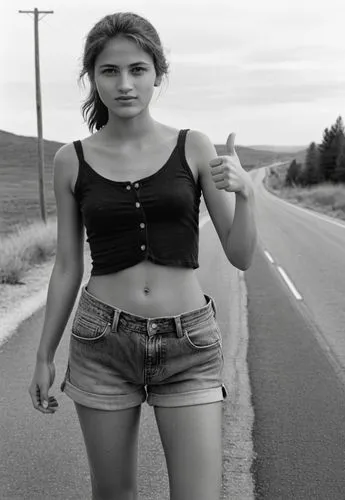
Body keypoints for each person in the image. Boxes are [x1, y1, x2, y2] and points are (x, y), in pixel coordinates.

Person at [28, 11, 256, 500]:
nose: (125, 84)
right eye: (110, 71)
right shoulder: (71, 159)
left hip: (188, 345)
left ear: (158, 74)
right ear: (93, 77)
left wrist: (247, 196)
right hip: (101, 342)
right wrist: (44, 355)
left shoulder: (192, 146)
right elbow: (68, 265)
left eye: (138, 69)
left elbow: (240, 255)